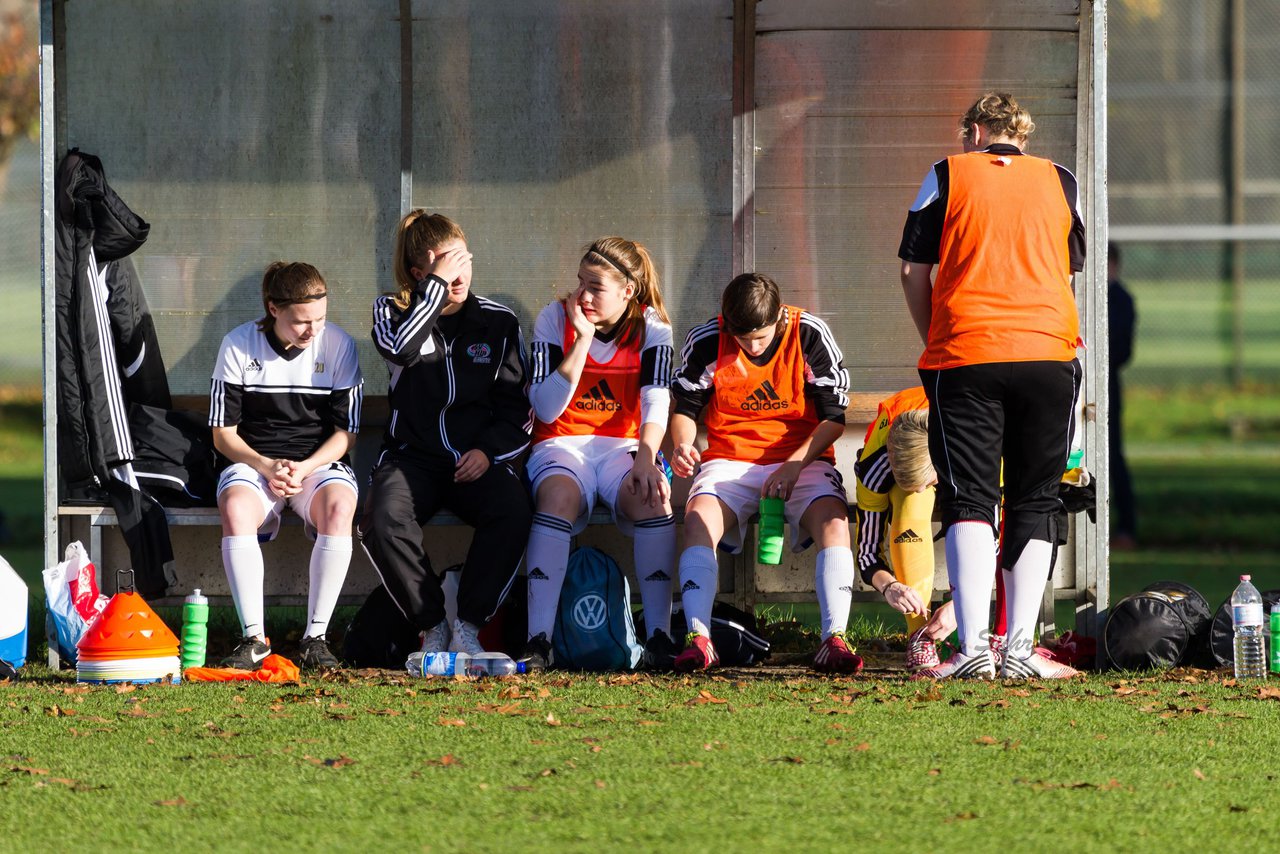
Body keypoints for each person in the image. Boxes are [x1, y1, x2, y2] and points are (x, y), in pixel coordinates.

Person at [899, 91, 1084, 680]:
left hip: (968, 355)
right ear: (1021, 136)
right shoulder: (1061, 179)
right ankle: (1023, 651)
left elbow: (912, 268)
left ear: (976, 130)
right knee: (1036, 496)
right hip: (1049, 352)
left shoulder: (946, 173)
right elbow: (1067, 269)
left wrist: (937, 334)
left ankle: (974, 649)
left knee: (970, 499)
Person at [360, 210, 533, 658]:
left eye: (463, 262)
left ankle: (469, 626)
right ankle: (432, 625)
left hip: (473, 460)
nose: (458, 276)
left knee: (513, 508)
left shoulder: (499, 323)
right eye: (444, 268)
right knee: (381, 518)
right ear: (420, 274)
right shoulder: (391, 312)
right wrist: (433, 291)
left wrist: (487, 451)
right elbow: (402, 348)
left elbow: (517, 410)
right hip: (410, 459)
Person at [670, 272, 859, 673]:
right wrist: (685, 444)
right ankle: (699, 638)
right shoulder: (707, 337)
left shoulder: (808, 333)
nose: (753, 347)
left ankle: (834, 638)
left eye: (761, 336)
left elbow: (833, 418)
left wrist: (794, 464)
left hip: (801, 457)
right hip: (730, 459)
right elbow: (685, 407)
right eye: (742, 338)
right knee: (697, 521)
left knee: (835, 523)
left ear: (780, 318)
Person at [519, 237, 678, 671]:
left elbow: (656, 399)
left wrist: (647, 456)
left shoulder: (653, 327)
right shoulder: (555, 318)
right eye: (580, 284)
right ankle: (539, 641)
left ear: (628, 290)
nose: (583, 296)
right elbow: (547, 407)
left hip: (623, 447)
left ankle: (659, 635)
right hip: (560, 444)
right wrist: (582, 341)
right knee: (557, 499)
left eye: (596, 287)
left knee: (654, 497)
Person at [210, 261, 363, 670]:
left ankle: (316, 638)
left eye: (321, 319)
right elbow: (222, 434)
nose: (313, 331)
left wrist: (305, 465)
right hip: (255, 463)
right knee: (236, 506)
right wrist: (264, 465)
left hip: (317, 464)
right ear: (273, 309)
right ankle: (254, 639)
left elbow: (346, 435)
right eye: (301, 322)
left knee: (339, 507)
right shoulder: (238, 344)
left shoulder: (339, 345)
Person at [1108, 242, 1138, 549]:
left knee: (1113, 456)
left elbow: (1123, 351)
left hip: (1108, 386)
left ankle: (1127, 528)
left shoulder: (1121, 300)